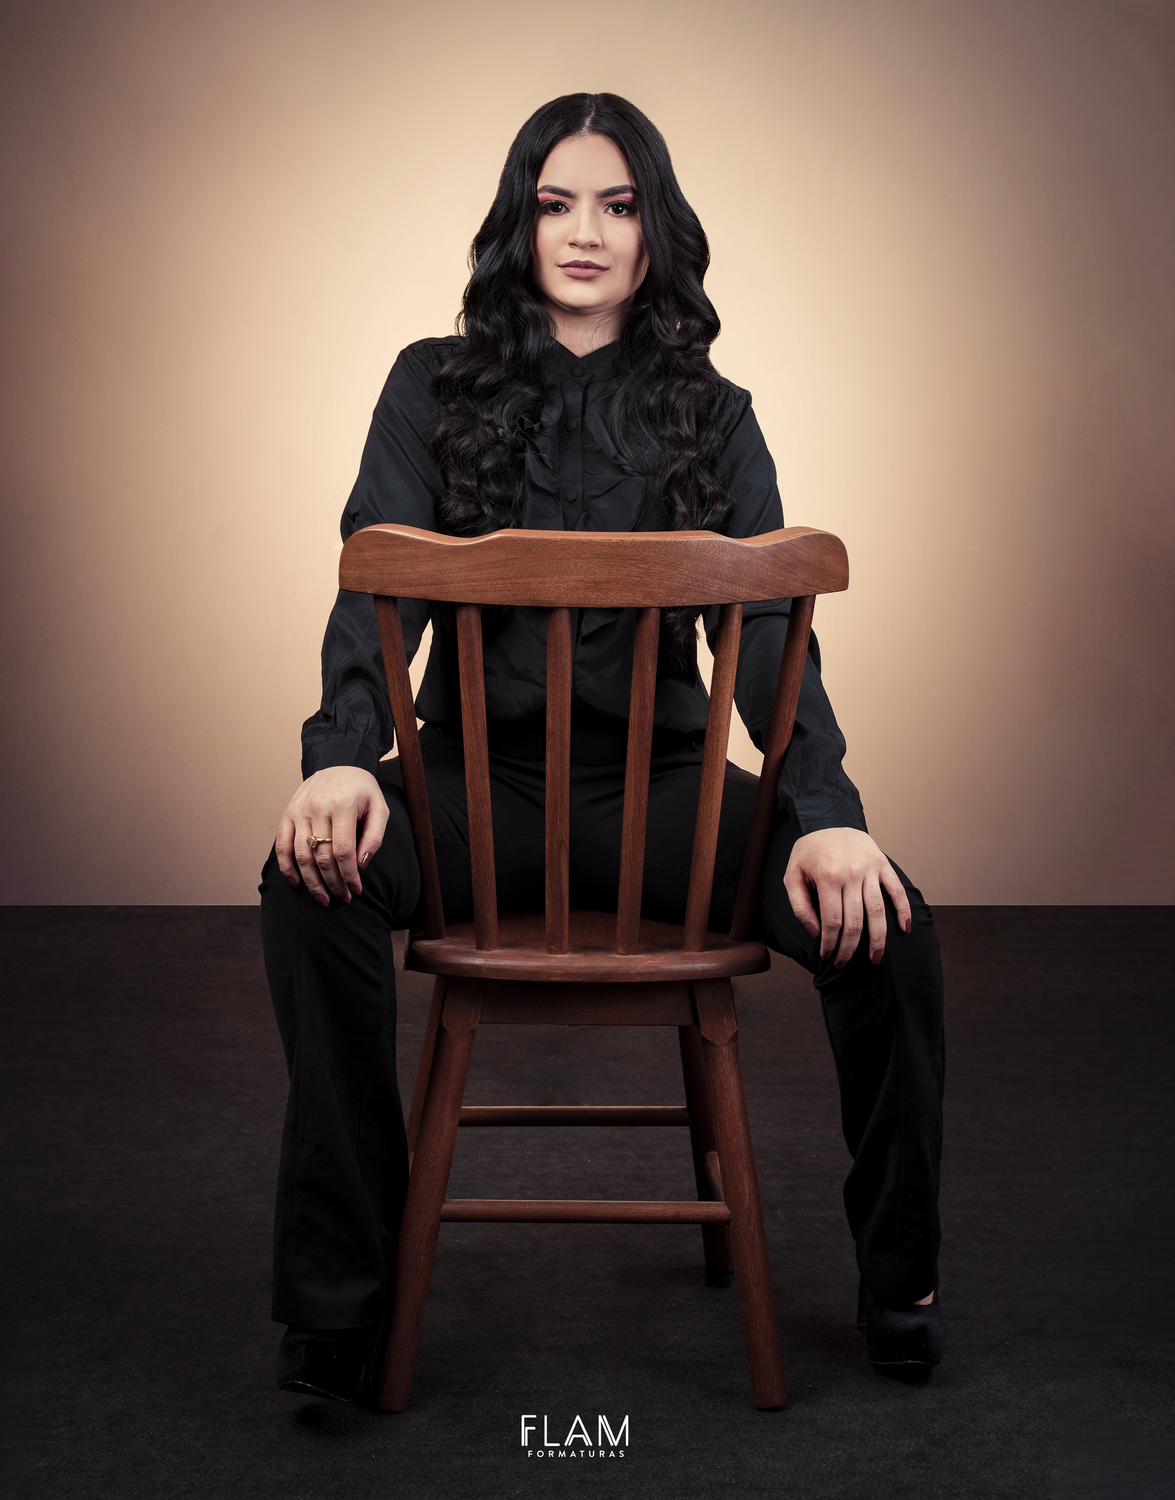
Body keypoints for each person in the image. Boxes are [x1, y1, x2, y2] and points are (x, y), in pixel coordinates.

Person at [259, 92, 946, 1403]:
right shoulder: (430, 384)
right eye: (556, 202)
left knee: (889, 921)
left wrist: (828, 813)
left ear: (654, 228)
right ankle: (342, 1297)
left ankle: (901, 1280)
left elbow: (766, 632)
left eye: (618, 205)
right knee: (309, 878)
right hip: (473, 789)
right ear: (518, 224)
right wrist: (342, 753)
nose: (585, 232)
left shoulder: (713, 412)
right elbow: (375, 581)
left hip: (666, 798)